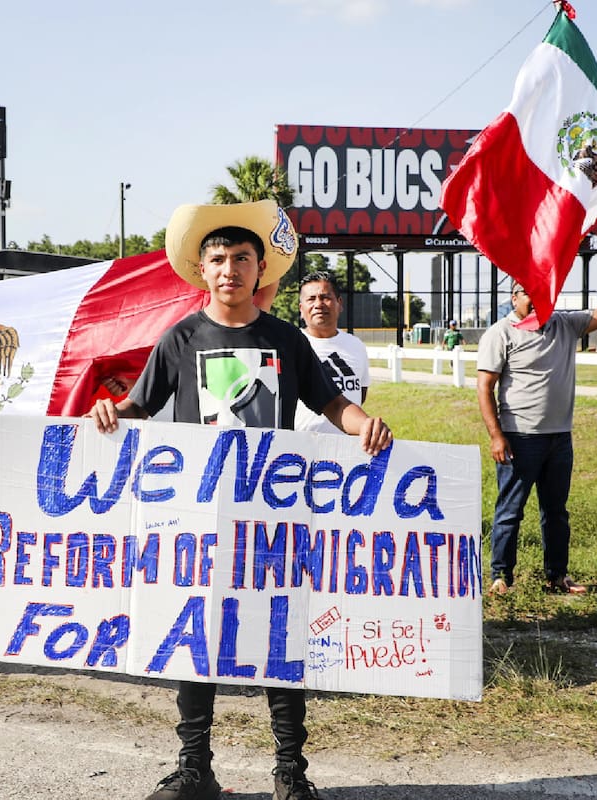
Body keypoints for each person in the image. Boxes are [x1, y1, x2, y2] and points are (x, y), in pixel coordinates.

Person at [88, 200, 392, 800]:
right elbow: (140, 406)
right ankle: (194, 767)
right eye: (220, 258)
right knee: (197, 637)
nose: (231, 269)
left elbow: (330, 401)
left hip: (271, 516)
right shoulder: (181, 338)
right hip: (199, 514)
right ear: (203, 268)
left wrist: (362, 425)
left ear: (260, 271)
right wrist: (108, 411)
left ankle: (290, 773)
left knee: (280, 636)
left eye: (243, 259)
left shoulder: (285, 339)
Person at [477, 245, 597, 596]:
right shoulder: (501, 334)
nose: (534, 299)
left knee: (556, 512)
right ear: (513, 298)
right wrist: (496, 436)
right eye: (526, 293)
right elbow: (485, 388)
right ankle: (501, 577)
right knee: (509, 512)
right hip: (519, 438)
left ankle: (557, 576)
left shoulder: (565, 324)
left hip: (559, 438)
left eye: (541, 292)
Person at [294, 271, 371, 435]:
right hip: (301, 446)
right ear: (301, 309)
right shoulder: (292, 345)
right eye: (311, 299)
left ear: (339, 303)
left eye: (325, 297)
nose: (318, 304)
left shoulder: (355, 345)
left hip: (347, 448)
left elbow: (360, 395)